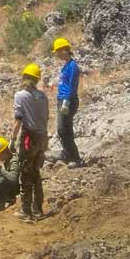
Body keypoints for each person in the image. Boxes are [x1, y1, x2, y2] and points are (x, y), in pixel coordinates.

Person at [12, 63, 49, 221]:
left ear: (25, 78)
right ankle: (38, 210)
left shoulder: (20, 95)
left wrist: (12, 139)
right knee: (36, 172)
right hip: (42, 137)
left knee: (26, 174)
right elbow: (46, 118)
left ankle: (26, 212)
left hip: (29, 138)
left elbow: (18, 120)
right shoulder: (43, 96)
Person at [52, 37, 82, 167]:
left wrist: (67, 101)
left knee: (63, 129)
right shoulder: (65, 66)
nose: (57, 54)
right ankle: (67, 153)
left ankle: (75, 158)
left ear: (65, 50)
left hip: (68, 100)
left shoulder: (73, 66)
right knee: (64, 129)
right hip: (62, 99)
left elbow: (72, 85)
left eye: (58, 51)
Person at [0, 136, 20, 211]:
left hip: (20, 187)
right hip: (14, 187)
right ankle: (8, 198)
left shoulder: (14, 161)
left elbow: (14, 178)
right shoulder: (8, 159)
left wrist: (0, 169)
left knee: (2, 179)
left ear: (4, 152)